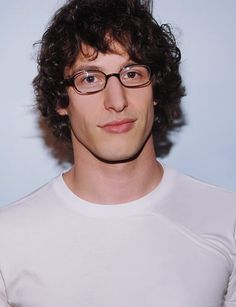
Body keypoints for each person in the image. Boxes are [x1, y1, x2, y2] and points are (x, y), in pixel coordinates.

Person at [0, 0, 235, 306]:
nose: (117, 100)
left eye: (132, 74)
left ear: (155, 90)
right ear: (61, 101)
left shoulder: (227, 217)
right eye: (90, 78)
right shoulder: (8, 238)